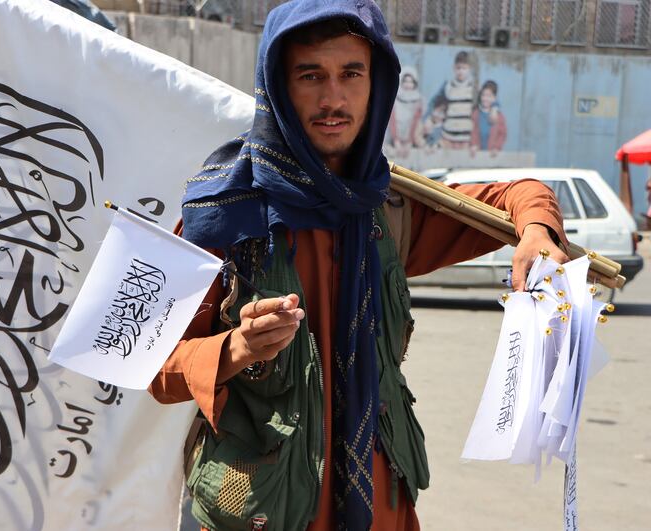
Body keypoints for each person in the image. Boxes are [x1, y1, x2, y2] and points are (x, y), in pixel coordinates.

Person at [150, 1, 568, 530]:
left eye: (352, 74)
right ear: (278, 88)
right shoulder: (220, 216)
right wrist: (235, 348)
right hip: (261, 512)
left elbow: (521, 193)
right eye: (311, 76)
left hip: (383, 513)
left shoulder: (391, 208)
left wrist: (536, 229)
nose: (333, 98)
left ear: (378, 86)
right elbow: (156, 370)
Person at [430, 51, 475, 149]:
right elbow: (435, 103)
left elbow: (484, 104)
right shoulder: (448, 86)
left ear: (469, 69)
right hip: (448, 136)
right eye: (458, 68)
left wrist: (495, 107)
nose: (461, 71)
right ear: (454, 68)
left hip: (465, 138)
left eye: (464, 68)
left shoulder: (473, 89)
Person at [386, 67, 423, 158]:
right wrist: (396, 141)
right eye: (405, 81)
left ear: (415, 84)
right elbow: (392, 121)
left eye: (411, 82)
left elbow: (415, 122)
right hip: (394, 139)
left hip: (410, 141)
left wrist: (409, 142)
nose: (408, 84)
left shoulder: (418, 100)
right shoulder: (395, 98)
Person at [470, 80, 507, 156]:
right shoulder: (475, 114)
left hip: (492, 155)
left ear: (494, 98)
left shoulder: (499, 116)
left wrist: (497, 148)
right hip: (476, 154)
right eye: (483, 95)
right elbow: (472, 131)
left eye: (489, 96)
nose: (485, 99)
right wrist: (473, 144)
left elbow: (502, 134)